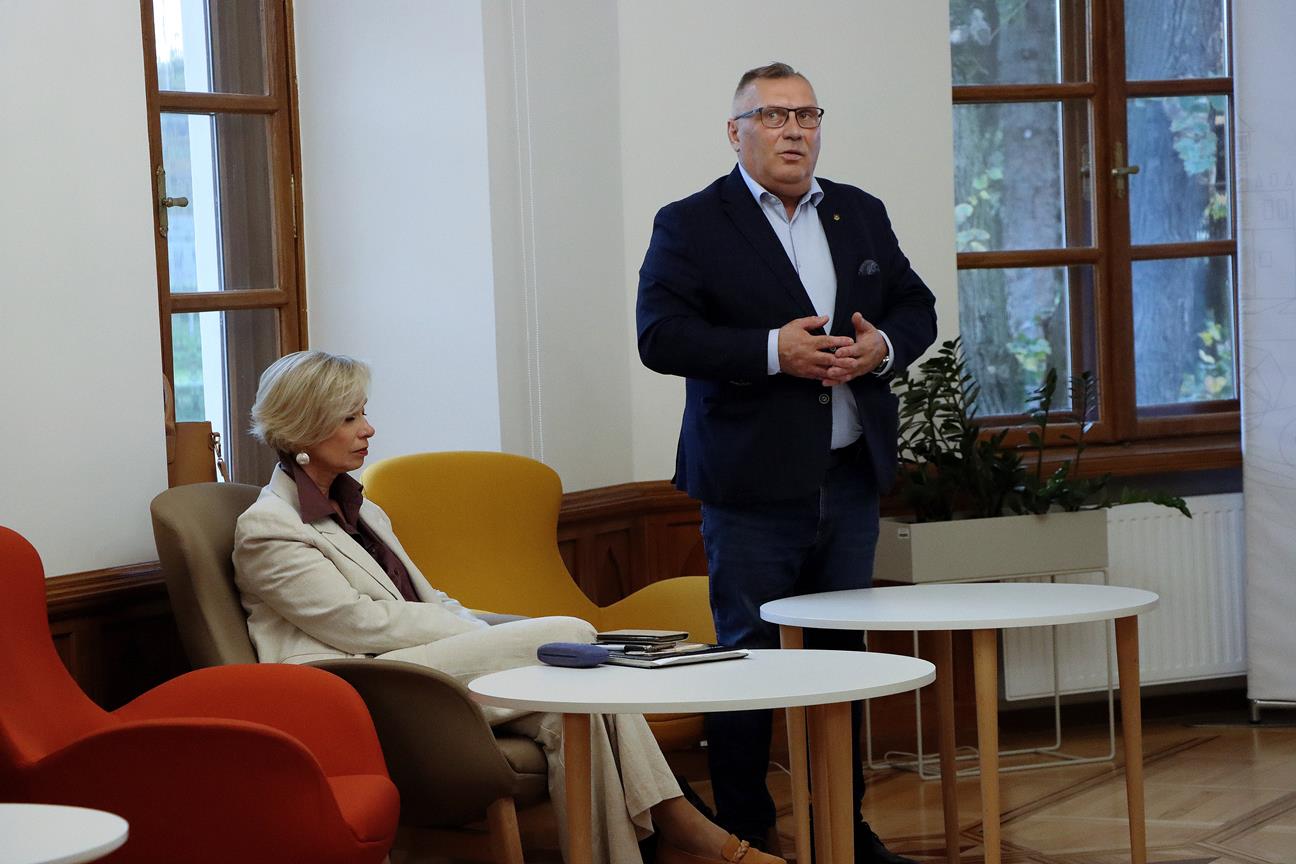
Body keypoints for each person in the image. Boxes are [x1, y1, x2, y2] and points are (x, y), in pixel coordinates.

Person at [232, 350, 783, 864]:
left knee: (576, 712)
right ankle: (689, 831)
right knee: (573, 632)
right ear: (303, 428)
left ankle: (661, 837)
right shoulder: (268, 528)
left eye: (364, 413)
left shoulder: (362, 508)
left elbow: (429, 601)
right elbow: (360, 624)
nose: (368, 429)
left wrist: (508, 629)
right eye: (350, 418)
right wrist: (496, 634)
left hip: (418, 665)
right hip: (359, 689)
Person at [636, 62, 937, 863]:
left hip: (849, 475)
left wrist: (881, 347)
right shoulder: (691, 223)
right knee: (749, 660)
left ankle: (844, 829)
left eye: (807, 115)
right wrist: (773, 351)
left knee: (843, 660)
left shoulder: (858, 211)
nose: (794, 130)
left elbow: (916, 306)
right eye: (773, 116)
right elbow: (659, 336)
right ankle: (744, 832)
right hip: (749, 484)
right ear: (735, 132)